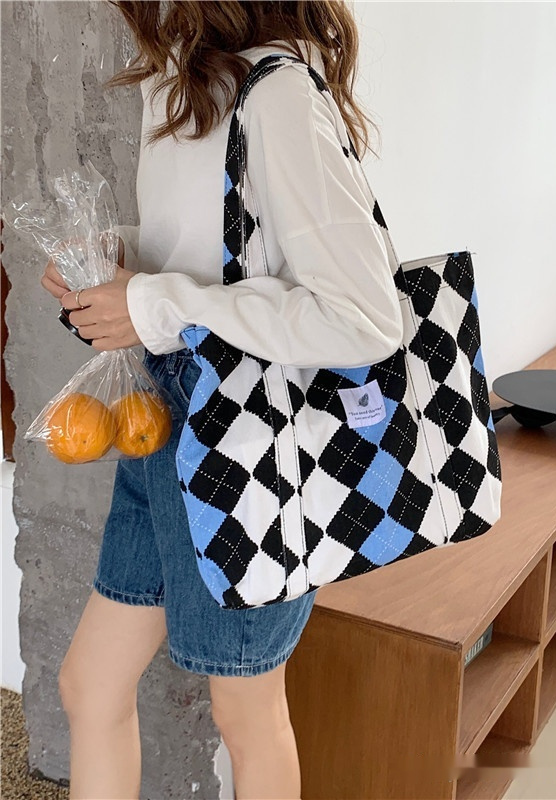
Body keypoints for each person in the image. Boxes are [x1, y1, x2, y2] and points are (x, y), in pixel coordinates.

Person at [39, 2, 403, 798]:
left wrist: (155, 304)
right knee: (89, 685)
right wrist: (118, 260)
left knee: (246, 713)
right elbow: (214, 253)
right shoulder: (185, 78)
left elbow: (366, 318)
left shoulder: (279, 94)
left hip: (251, 441)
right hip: (167, 418)